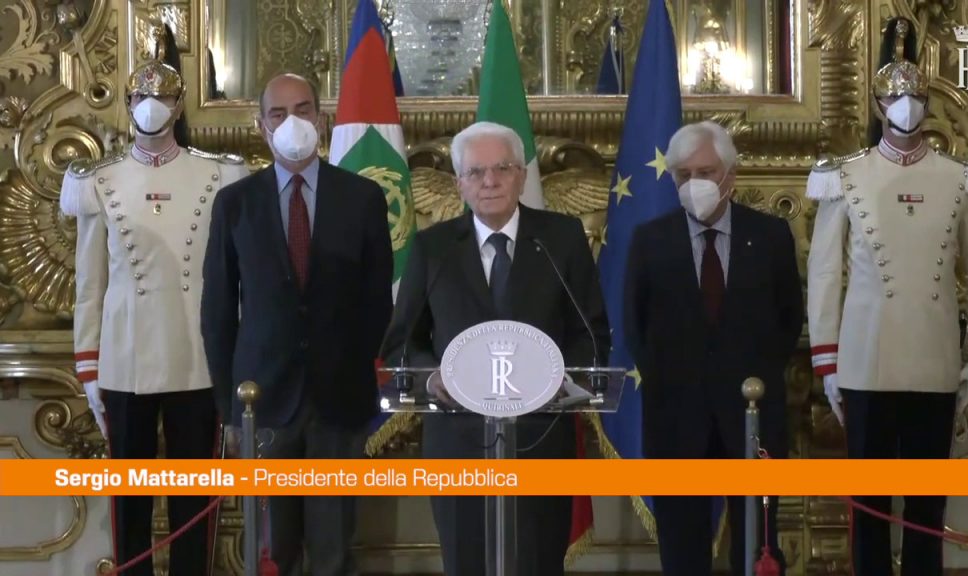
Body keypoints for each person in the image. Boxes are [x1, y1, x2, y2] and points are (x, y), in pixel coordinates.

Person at [805, 17, 968, 576]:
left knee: (926, 507)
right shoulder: (845, 176)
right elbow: (825, 275)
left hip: (935, 363)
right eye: (894, 96)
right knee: (869, 505)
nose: (905, 106)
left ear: (927, 102)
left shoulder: (961, 178)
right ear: (878, 102)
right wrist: (828, 364)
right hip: (865, 362)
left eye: (914, 96)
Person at [380, 121, 610, 576]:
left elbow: (592, 333)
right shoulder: (432, 248)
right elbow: (402, 343)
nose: (490, 181)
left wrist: (564, 377)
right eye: (476, 172)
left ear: (521, 176)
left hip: (540, 438)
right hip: (458, 441)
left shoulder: (561, 239)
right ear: (460, 184)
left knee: (538, 564)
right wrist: (433, 377)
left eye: (502, 168)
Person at [58, 50, 249, 576]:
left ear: (179, 104)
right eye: (142, 96)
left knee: (194, 502)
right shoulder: (99, 179)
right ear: (128, 103)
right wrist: (89, 366)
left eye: (162, 95)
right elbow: (90, 284)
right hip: (125, 363)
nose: (152, 105)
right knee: (129, 504)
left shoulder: (220, 174)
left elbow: (236, 281)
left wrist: (235, 361)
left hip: (198, 360)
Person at [199, 73, 393, 576]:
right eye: (279, 113)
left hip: (339, 401)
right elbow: (218, 312)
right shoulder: (235, 203)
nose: (292, 122)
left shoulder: (363, 197)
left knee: (333, 550)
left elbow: (377, 302)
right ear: (261, 126)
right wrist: (228, 409)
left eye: (303, 110)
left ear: (321, 121)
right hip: (261, 401)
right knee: (274, 551)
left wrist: (359, 376)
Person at [623, 120, 802, 576]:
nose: (694, 184)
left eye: (705, 173)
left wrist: (749, 372)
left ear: (730, 175)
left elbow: (788, 319)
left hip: (752, 413)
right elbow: (635, 325)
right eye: (683, 175)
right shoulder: (650, 239)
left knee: (757, 542)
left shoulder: (770, 236)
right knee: (682, 547)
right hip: (676, 418)